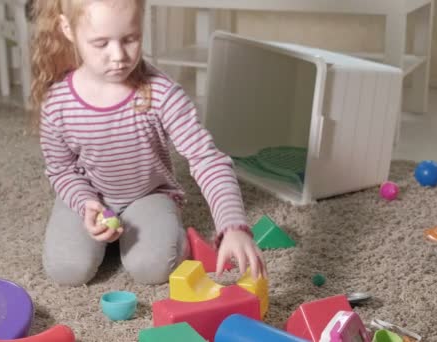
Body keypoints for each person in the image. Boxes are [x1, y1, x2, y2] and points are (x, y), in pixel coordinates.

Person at [30, 0, 266, 286]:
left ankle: (155, 235)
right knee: (67, 271)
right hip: (89, 194)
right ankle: (110, 239)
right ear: (68, 29)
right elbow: (61, 170)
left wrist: (232, 226)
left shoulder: (162, 93)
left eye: (130, 39)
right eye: (100, 43)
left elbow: (207, 159)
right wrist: (85, 203)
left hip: (147, 195)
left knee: (153, 269)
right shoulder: (58, 103)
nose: (118, 56)